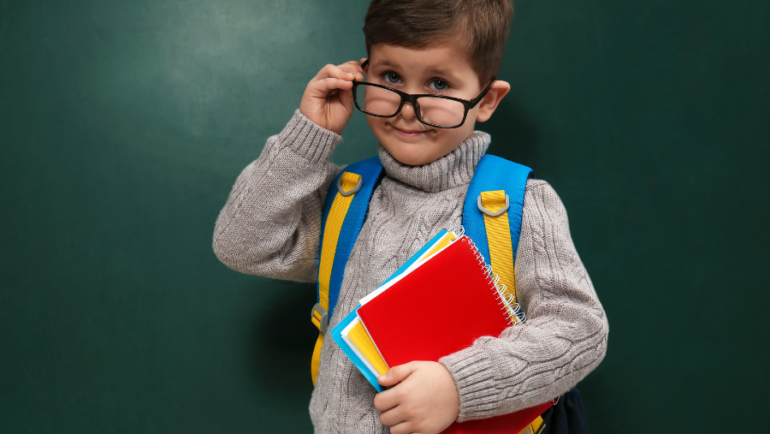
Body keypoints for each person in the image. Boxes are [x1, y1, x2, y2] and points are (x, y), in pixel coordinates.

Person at [212, 0, 609, 433]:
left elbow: (579, 330)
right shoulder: (345, 198)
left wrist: (457, 386)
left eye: (438, 83)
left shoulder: (519, 205)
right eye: (391, 77)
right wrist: (309, 134)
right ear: (361, 73)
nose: (407, 106)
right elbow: (240, 245)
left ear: (487, 99)